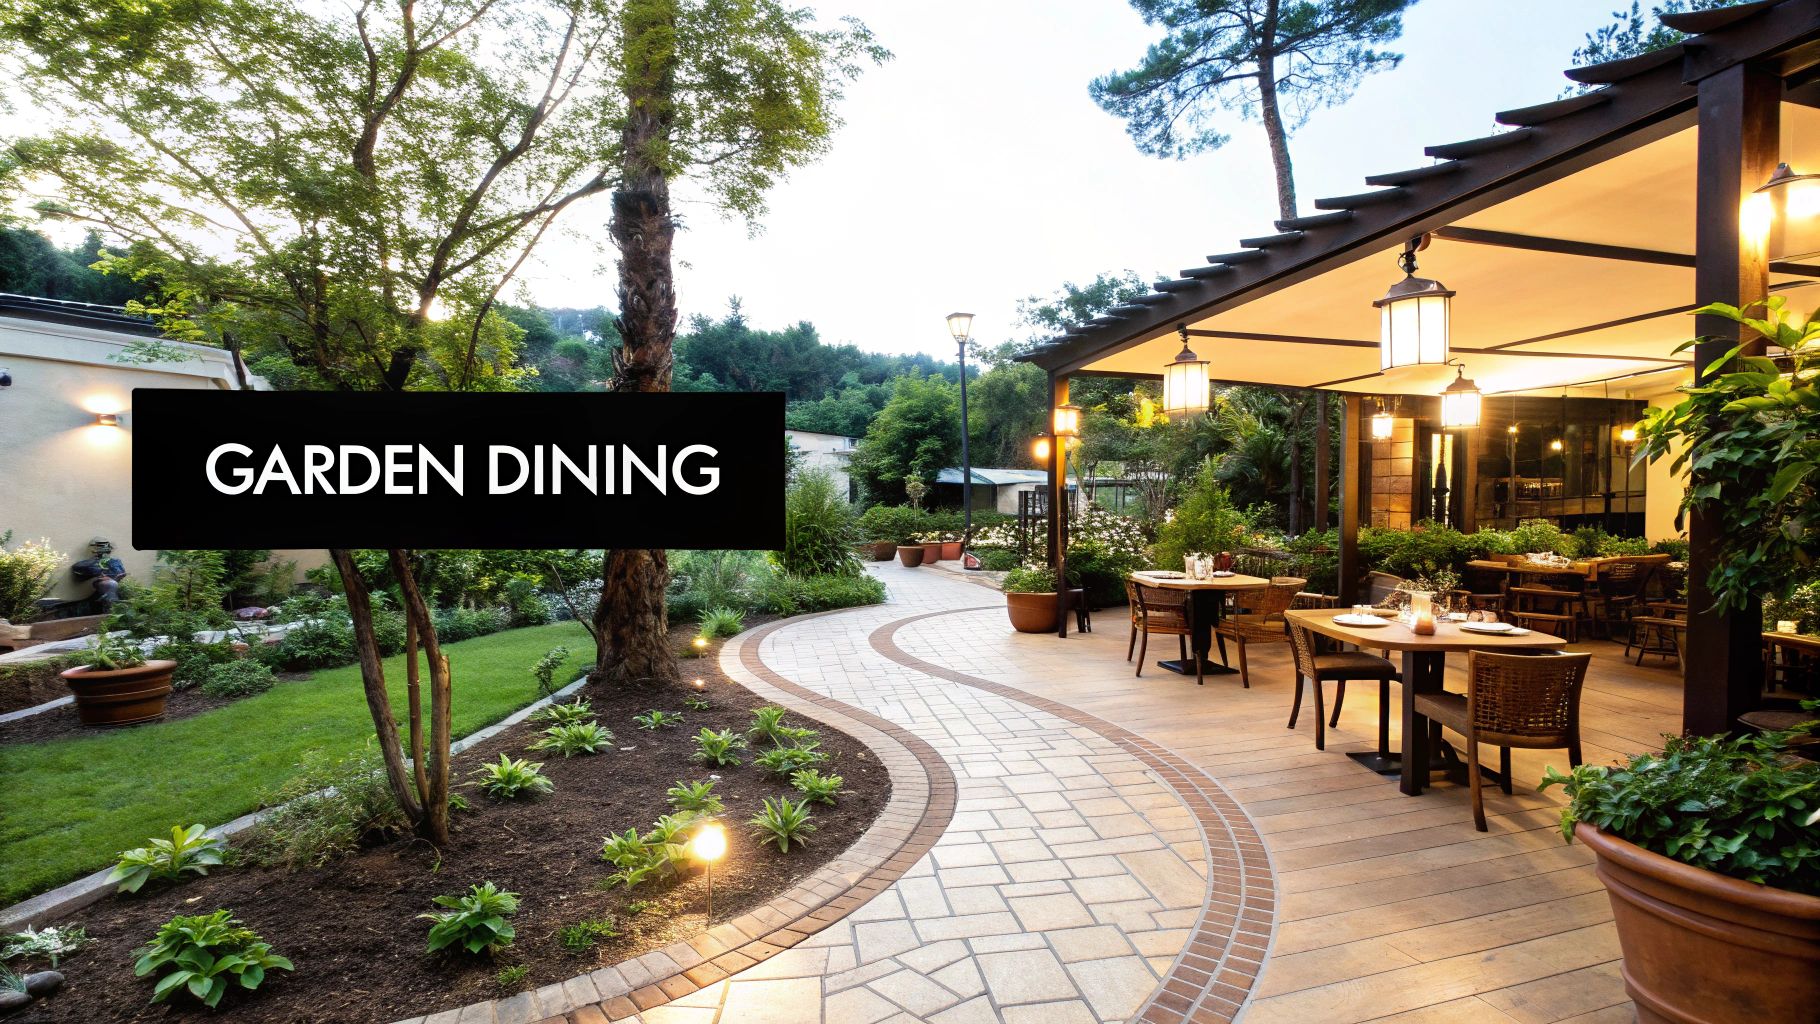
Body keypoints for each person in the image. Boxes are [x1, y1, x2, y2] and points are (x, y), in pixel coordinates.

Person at [70, 538, 128, 611]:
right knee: (110, 584)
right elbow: (77, 568)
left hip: (111, 584)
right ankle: (111, 609)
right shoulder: (91, 563)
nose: (102, 549)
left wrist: (113, 577)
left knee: (111, 584)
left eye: (103, 547)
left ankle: (113, 609)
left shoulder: (114, 561)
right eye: (99, 547)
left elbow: (121, 573)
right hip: (101, 585)